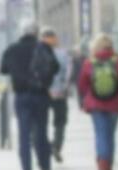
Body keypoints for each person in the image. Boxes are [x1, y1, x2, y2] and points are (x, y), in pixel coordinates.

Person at [1, 23, 60, 170]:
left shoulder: (12, 49)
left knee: (24, 135)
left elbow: (3, 69)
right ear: (36, 34)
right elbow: (56, 67)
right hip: (41, 95)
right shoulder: (43, 47)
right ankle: (44, 166)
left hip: (21, 96)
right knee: (41, 131)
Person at [77, 33, 118, 170]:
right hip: (115, 104)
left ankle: (102, 167)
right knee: (110, 135)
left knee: (101, 134)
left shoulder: (90, 62)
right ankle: (108, 166)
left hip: (95, 105)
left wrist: (89, 95)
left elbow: (82, 85)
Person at [41, 28, 72, 162]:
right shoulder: (63, 54)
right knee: (60, 122)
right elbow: (68, 73)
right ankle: (56, 146)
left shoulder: (38, 53)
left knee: (40, 122)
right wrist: (64, 88)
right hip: (59, 93)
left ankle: (46, 146)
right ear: (56, 39)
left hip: (42, 93)